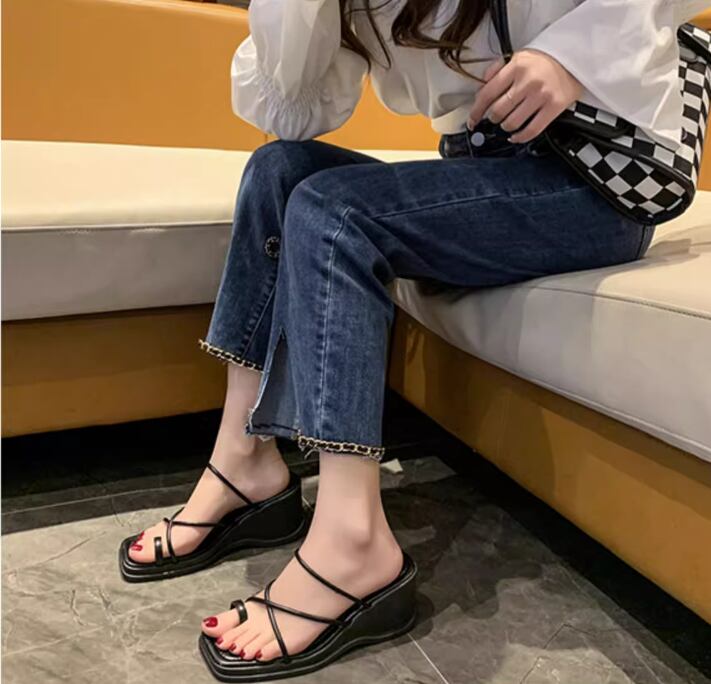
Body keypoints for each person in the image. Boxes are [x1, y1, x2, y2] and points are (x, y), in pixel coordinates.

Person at [119, 0, 710, 679]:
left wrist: (573, 57)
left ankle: (353, 543)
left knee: (334, 215)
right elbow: (291, 115)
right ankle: (244, 462)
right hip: (486, 166)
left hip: (596, 188)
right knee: (278, 169)